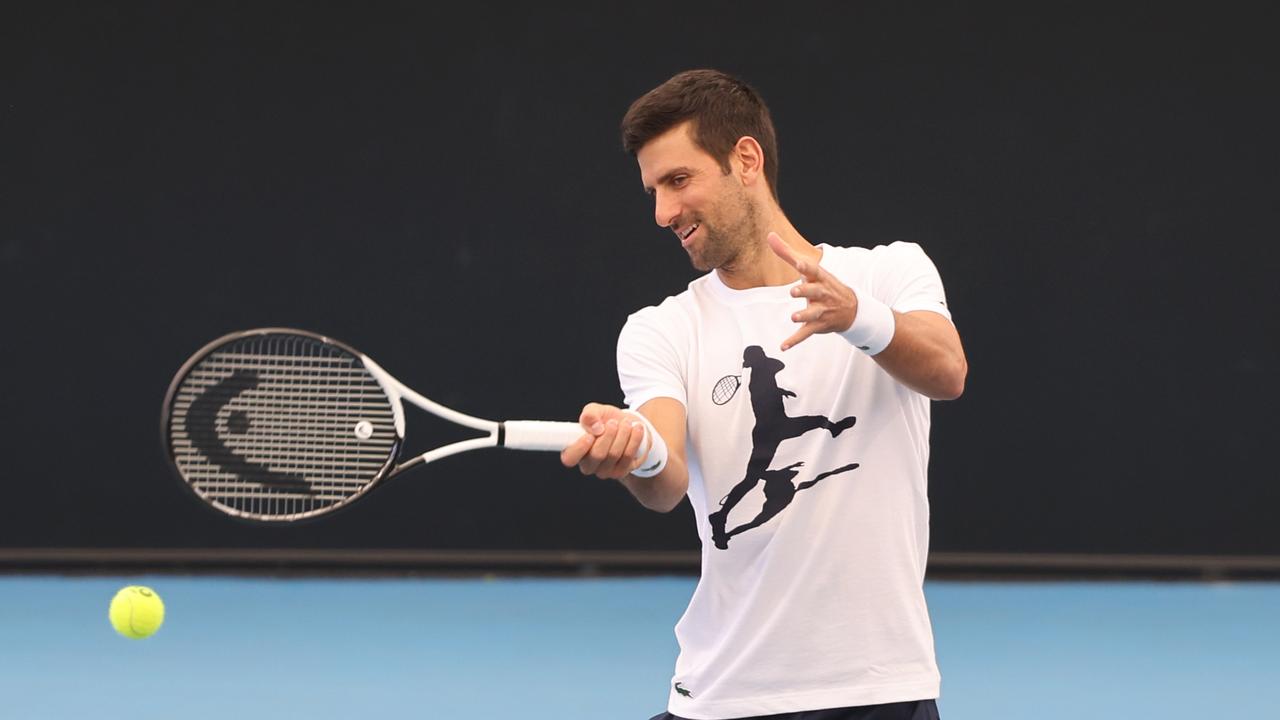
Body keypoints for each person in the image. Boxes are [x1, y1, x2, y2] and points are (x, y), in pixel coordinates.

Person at [560, 69, 967, 720]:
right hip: (725, 695)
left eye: (678, 180)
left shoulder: (889, 271)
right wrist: (633, 450)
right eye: (653, 191)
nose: (663, 213)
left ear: (745, 159)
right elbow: (665, 476)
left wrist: (859, 315)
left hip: (878, 691)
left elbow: (948, 371)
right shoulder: (660, 329)